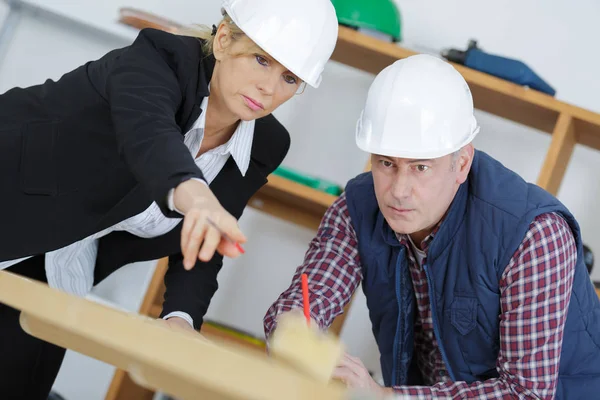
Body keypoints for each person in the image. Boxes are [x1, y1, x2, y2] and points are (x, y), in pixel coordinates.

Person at [0, 0, 339, 397]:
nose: (269, 88)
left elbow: (208, 240)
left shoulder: (265, 143)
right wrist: (194, 196)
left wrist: (181, 317)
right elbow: (149, 137)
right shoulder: (158, 59)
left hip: (53, 268)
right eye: (261, 61)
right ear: (226, 40)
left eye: (290, 78)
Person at [264, 54, 600, 399]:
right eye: (386, 163)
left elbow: (525, 394)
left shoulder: (533, 236)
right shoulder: (356, 209)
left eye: (420, 167)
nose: (398, 191)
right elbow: (310, 297)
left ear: (462, 163)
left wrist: (384, 397)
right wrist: (295, 336)